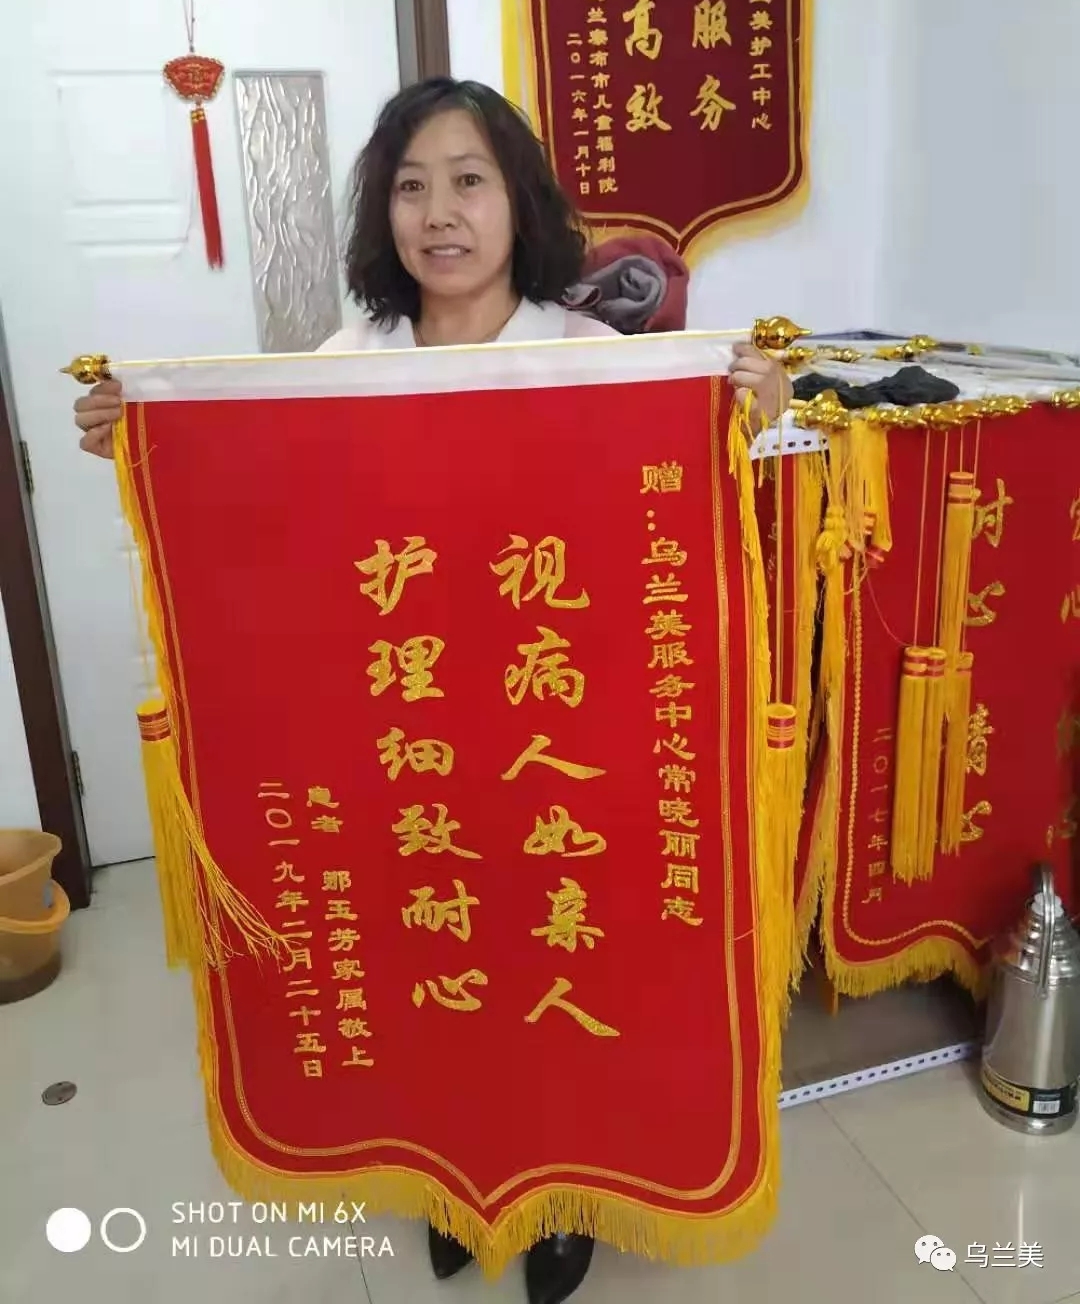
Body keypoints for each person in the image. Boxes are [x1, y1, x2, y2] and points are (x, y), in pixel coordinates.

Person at [73, 77, 792, 1303]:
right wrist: (141, 441)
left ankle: (561, 1199)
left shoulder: (598, 361)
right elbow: (261, 531)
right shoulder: (343, 369)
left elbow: (672, 533)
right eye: (411, 188)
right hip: (410, 752)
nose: (440, 214)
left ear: (519, 205)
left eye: (469, 182)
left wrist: (745, 412)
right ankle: (457, 1184)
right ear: (384, 216)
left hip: (557, 749)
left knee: (558, 975)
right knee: (441, 976)